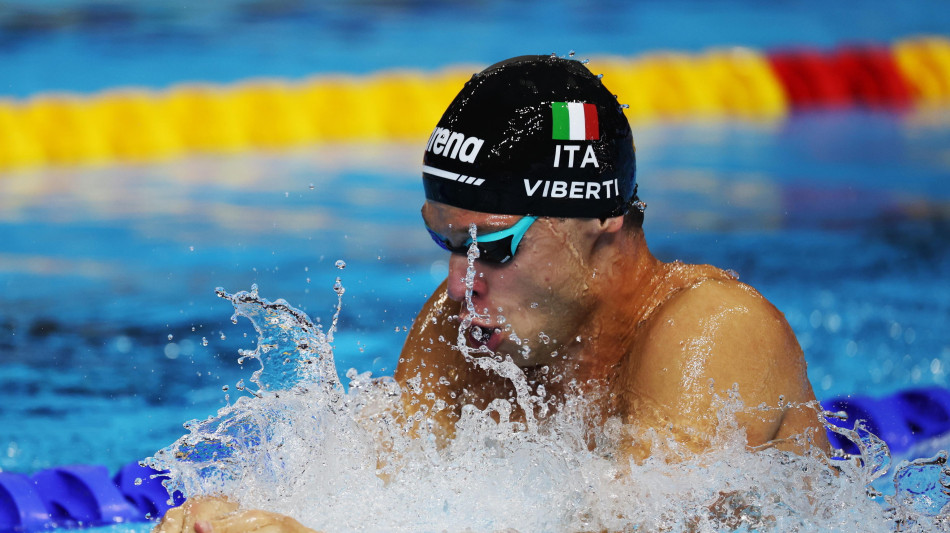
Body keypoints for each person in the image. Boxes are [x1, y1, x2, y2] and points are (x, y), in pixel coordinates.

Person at [156, 54, 828, 533]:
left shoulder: (712, 333)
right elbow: (379, 495)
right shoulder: (466, 330)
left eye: (493, 247)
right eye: (446, 242)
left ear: (601, 220)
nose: (459, 282)